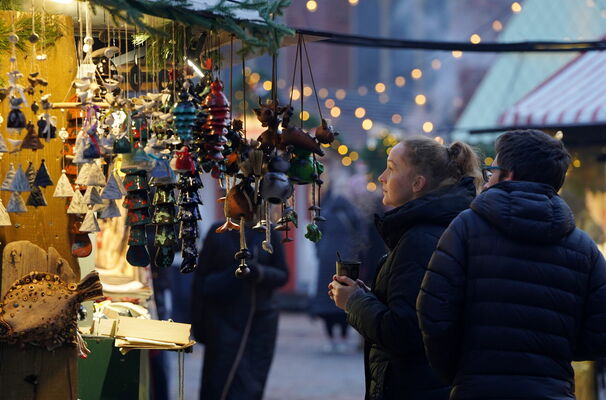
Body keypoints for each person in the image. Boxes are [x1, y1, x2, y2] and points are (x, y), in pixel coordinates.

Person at [417, 129, 606, 399]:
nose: (488, 177)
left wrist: (458, 372)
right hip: (552, 391)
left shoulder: (466, 228)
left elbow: (433, 313)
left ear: (510, 174)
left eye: (493, 169)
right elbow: (600, 333)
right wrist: (554, 353)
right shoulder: (583, 247)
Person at [329, 136, 482, 400]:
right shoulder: (430, 231)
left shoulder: (420, 239)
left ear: (417, 183)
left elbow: (403, 331)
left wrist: (354, 303)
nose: (381, 177)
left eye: (392, 167)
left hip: (414, 387)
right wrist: (369, 297)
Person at [191, 221, 288, 400]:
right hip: (221, 320)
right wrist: (198, 322)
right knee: (218, 382)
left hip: (258, 322)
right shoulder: (218, 232)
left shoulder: (267, 233)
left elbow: (282, 274)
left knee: (250, 384)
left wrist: (259, 272)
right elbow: (201, 280)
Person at [309, 156, 365, 353]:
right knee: (341, 297)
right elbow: (360, 231)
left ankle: (334, 338)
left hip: (330, 257)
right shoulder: (350, 210)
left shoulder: (327, 206)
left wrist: (318, 250)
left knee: (330, 297)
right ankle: (340, 337)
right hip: (343, 258)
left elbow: (318, 231)